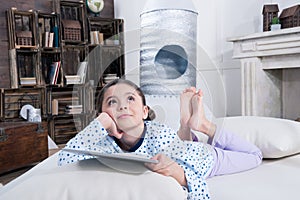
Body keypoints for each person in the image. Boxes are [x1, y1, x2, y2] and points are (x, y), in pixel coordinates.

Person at [58, 79, 262, 200]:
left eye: (130, 98)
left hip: (204, 158)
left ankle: (202, 125)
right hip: (182, 147)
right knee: (180, 144)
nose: (122, 106)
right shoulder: (104, 141)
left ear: (145, 111)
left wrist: (178, 174)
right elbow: (64, 160)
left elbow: (198, 183)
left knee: (255, 155)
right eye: (112, 102)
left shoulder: (160, 134)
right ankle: (186, 125)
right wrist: (100, 124)